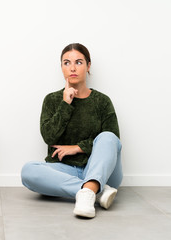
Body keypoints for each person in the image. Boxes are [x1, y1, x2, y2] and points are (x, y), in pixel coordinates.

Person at [21, 43, 122, 218]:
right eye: (66, 63)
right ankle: (95, 190)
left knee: (107, 136)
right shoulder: (52, 100)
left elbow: (112, 141)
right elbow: (49, 136)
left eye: (79, 62)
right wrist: (65, 104)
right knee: (28, 171)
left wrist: (78, 147)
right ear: (61, 67)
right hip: (65, 170)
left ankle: (91, 186)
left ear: (88, 66)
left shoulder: (102, 101)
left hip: (101, 169)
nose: (72, 68)